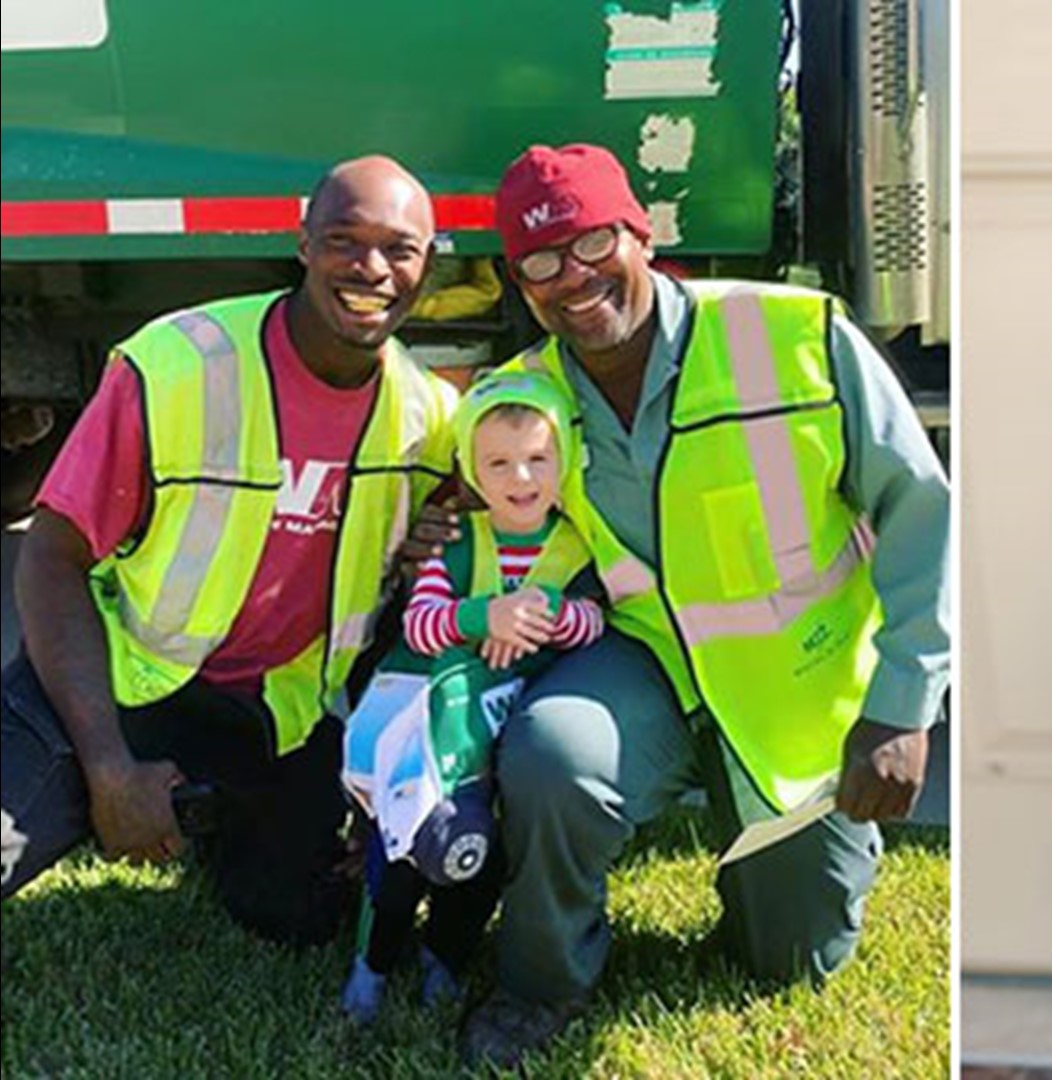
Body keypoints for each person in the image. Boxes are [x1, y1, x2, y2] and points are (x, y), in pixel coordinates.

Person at [442, 143, 950, 1067]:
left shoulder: (794, 334)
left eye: (594, 243)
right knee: (555, 756)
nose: (574, 279)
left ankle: (780, 871)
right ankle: (539, 980)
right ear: (520, 282)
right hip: (648, 666)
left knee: (795, 964)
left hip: (800, 682)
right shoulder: (530, 395)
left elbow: (920, 508)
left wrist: (903, 708)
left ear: (643, 234)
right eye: (542, 264)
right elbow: (464, 490)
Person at [0, 156, 458, 947]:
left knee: (307, 915)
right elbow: (50, 558)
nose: (372, 269)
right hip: (120, 679)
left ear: (430, 263)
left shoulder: (433, 420)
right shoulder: (180, 364)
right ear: (303, 244)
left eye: (399, 249)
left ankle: (209, 820)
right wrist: (108, 770)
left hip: (270, 717)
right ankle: (131, 788)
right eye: (345, 240)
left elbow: (419, 612)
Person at [341, 372, 605, 1024]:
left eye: (538, 459)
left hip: (499, 734)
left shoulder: (575, 547)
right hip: (428, 733)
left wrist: (547, 615)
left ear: (562, 464)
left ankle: (444, 959)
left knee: (478, 861)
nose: (521, 477)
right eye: (499, 463)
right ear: (473, 474)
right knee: (400, 859)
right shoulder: (458, 540)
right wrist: (484, 615)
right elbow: (420, 624)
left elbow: (597, 622)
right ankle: (370, 968)